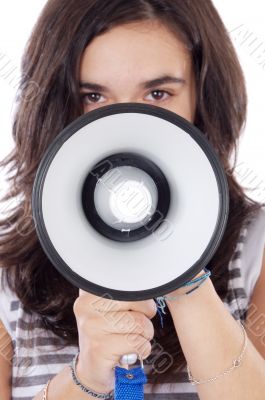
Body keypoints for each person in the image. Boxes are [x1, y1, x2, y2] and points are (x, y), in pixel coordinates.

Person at [0, 0, 265, 399]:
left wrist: (183, 275)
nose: (126, 123)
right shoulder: (8, 277)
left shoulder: (256, 247)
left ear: (202, 98)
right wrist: (85, 378)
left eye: (158, 93)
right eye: (93, 97)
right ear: (54, 105)